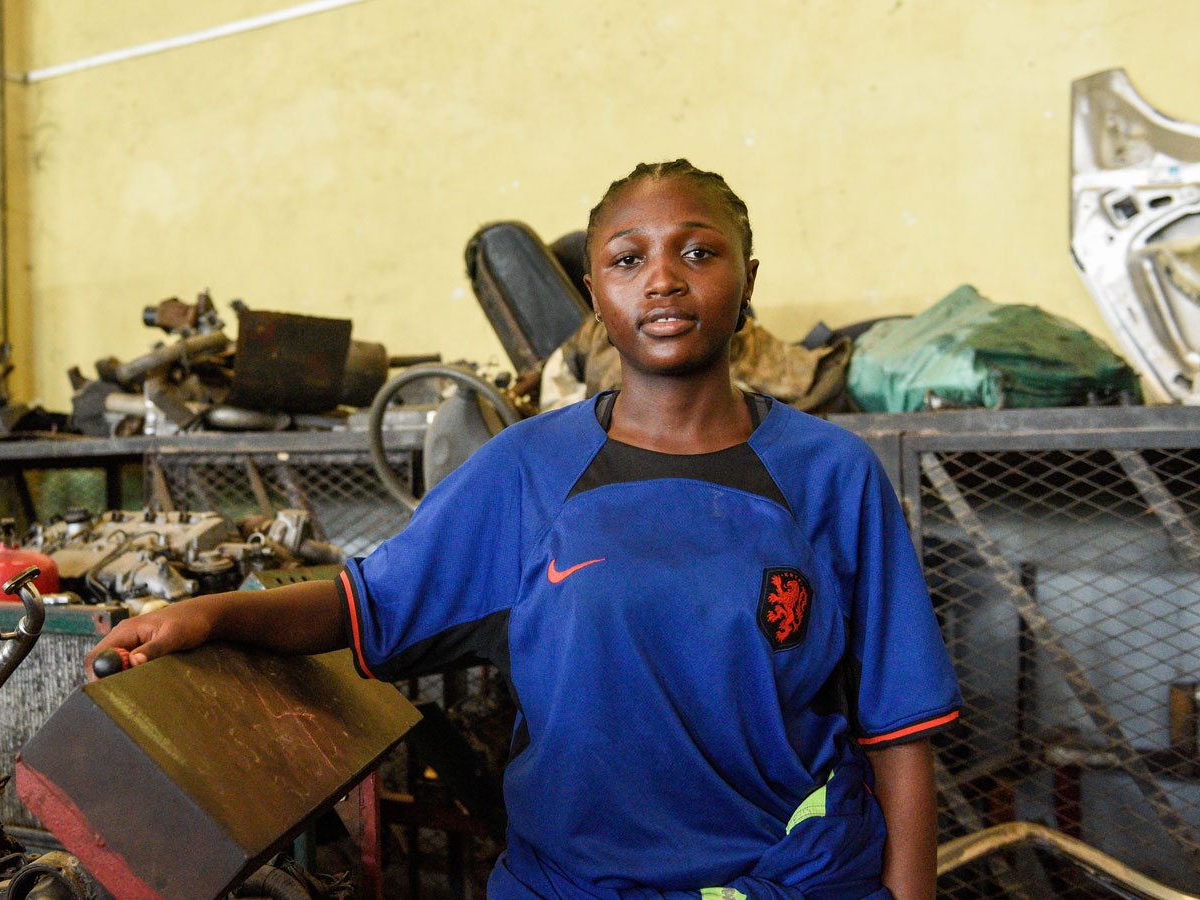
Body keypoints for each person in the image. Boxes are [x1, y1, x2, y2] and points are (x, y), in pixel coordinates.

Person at [87, 160, 961, 900]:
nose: (664, 279)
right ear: (595, 293)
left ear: (749, 279)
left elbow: (900, 727)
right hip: (576, 882)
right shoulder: (529, 468)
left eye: (699, 252)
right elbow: (367, 608)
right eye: (629, 258)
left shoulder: (829, 474)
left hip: (792, 874)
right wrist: (209, 617)